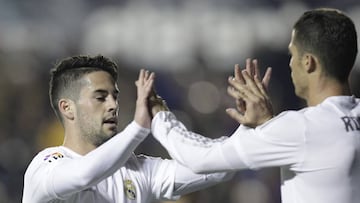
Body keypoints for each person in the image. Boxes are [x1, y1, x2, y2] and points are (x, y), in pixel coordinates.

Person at [149, 8, 360, 203]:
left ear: (308, 62)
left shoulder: (300, 129)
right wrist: (263, 126)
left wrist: (159, 114)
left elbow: (200, 161)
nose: (290, 64)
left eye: (293, 54)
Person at [22, 55, 233, 203]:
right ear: (68, 108)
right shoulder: (45, 167)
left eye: (115, 96)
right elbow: (83, 176)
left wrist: (251, 129)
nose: (113, 105)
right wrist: (138, 129)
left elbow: (218, 167)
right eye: (100, 97)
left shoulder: (136, 171)